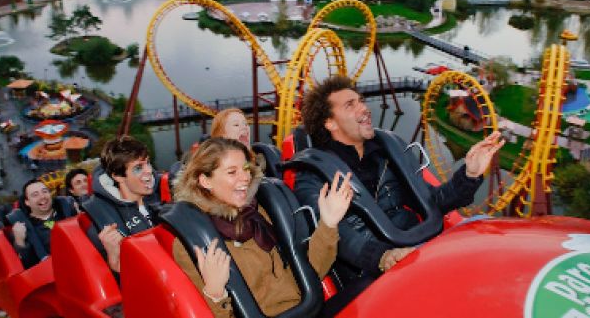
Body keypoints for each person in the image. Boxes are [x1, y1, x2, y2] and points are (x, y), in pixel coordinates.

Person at [293, 76, 504, 287]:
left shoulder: (387, 154)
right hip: (371, 269)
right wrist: (383, 258)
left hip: (417, 243)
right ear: (329, 123)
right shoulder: (314, 175)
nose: (364, 109)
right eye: (351, 105)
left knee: (481, 227)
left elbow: (433, 201)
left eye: (362, 101)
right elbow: (336, 236)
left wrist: (469, 174)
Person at [172, 138, 353, 317]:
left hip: (307, 310)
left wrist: (328, 223)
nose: (245, 177)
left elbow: (311, 272)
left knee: (371, 289)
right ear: (205, 181)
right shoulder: (194, 240)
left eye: (245, 169)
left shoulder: (258, 213)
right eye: (231, 172)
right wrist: (215, 293)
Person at [82, 136, 157, 273]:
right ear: (117, 176)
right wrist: (114, 261)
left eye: (148, 163)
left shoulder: (157, 203)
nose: (149, 171)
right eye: (138, 168)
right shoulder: (103, 223)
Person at [12, 178, 77, 268]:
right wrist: (20, 242)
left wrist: (79, 213)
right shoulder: (25, 228)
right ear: (27, 202)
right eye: (35, 195)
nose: (42, 197)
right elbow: (28, 266)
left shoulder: (68, 210)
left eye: (45, 191)